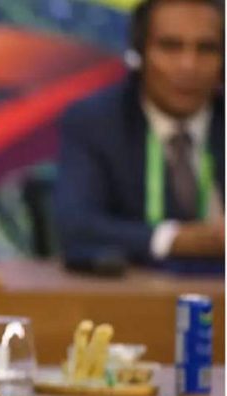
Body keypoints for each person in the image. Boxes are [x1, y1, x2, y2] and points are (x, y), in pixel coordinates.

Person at [55, 0, 224, 266]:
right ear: (139, 54)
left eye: (206, 49)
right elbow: (78, 228)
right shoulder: (97, 121)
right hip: (133, 287)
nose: (188, 65)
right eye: (170, 47)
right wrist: (178, 239)